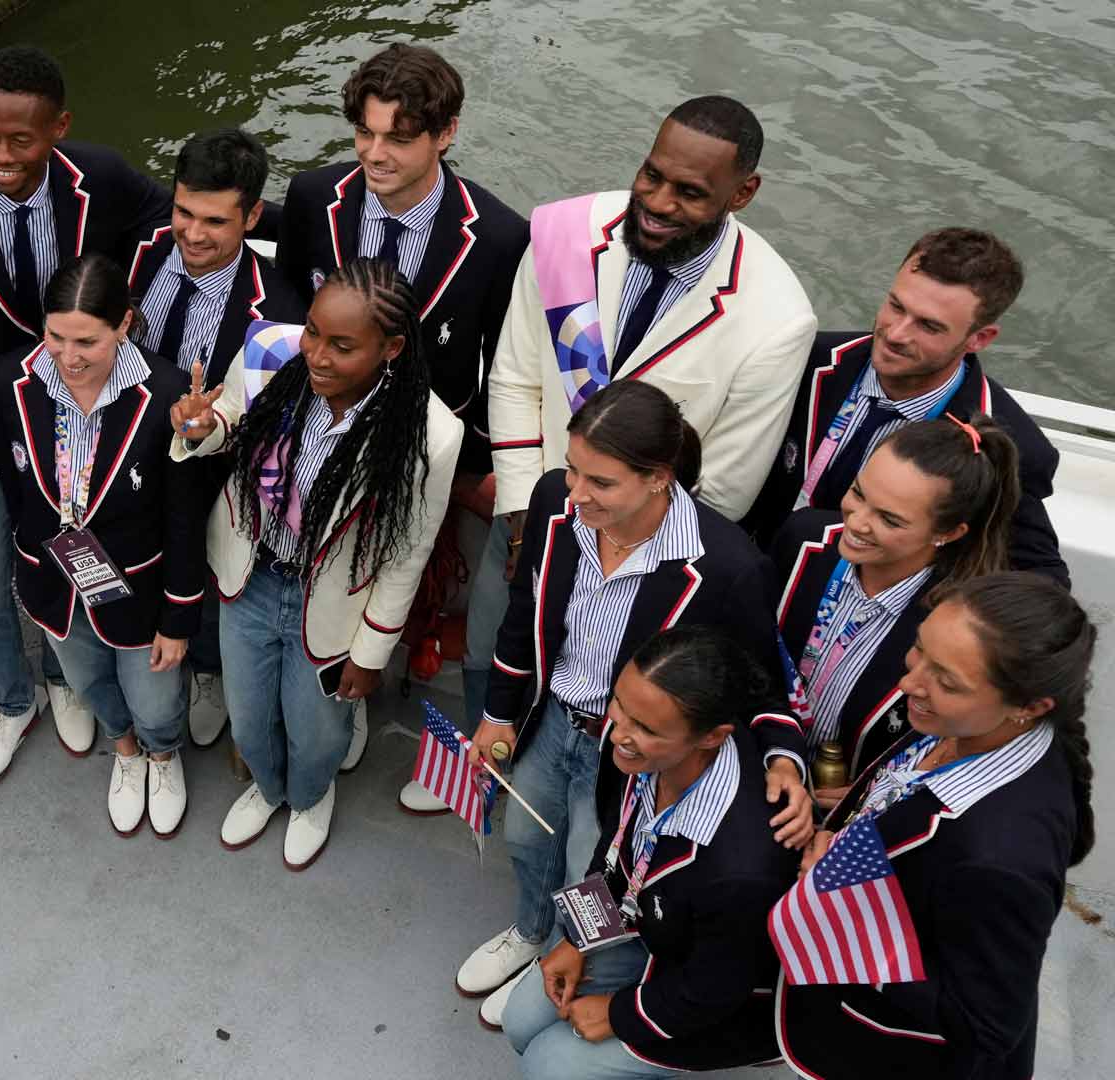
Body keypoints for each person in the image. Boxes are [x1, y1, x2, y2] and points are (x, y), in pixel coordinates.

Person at [434, 94, 816, 818]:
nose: (659, 202)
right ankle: (489, 757)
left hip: (642, 554)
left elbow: (725, 484)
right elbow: (513, 377)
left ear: (744, 193)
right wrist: (523, 516)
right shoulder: (565, 233)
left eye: (690, 192)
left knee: (601, 683)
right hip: (534, 512)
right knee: (495, 646)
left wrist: (610, 537)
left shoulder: (776, 319)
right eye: (652, 175)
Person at [459, 379, 812, 1019]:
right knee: (525, 838)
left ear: (658, 478)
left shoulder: (726, 565)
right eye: (572, 470)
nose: (575, 493)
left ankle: (566, 953)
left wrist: (784, 754)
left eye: (601, 481)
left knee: (592, 872)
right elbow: (525, 612)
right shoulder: (553, 505)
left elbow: (759, 678)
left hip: (630, 755)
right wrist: (497, 714)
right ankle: (530, 930)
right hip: (550, 720)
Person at [0, 45, 171, 779]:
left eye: (22, 140)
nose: (3, 156)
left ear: (60, 127)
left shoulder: (101, 178)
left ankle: (63, 681)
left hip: (81, 433)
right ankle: (14, 702)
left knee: (66, 566)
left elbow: (174, 219)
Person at [274, 42, 529, 778]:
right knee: (319, 574)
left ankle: (371, 677)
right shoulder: (313, 198)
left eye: (397, 137)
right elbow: (291, 307)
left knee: (402, 578)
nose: (373, 154)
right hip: (319, 439)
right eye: (364, 133)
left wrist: (481, 472)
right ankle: (331, 691)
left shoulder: (502, 238)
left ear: (445, 133)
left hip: (424, 458)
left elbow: (504, 366)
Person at [168, 257, 460, 869]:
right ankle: (269, 788)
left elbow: (408, 553)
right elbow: (231, 424)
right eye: (313, 332)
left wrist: (371, 652)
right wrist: (201, 427)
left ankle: (309, 795)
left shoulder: (432, 433)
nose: (317, 355)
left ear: (391, 348)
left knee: (319, 730)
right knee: (246, 718)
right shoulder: (271, 349)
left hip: (330, 604)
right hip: (250, 575)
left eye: (342, 345)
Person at [774, 573, 1095, 1078]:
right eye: (917, 649)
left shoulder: (1000, 859)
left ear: (1030, 707)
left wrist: (848, 920)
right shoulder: (966, 727)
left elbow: (987, 1025)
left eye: (946, 681)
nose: (909, 683)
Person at [502, 627, 795, 1078]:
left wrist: (620, 1014)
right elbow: (614, 851)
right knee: (519, 1021)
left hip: (713, 994)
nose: (618, 733)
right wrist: (578, 940)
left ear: (712, 736)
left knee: (548, 1065)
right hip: (651, 928)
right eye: (619, 704)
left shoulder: (743, 870)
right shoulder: (635, 752)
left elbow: (716, 988)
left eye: (646, 728)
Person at [0, 255, 209, 835]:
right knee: (88, 683)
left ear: (126, 325)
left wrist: (179, 615)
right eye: (55, 337)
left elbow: (183, 515)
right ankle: (127, 752)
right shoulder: (9, 382)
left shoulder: (165, 395)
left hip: (140, 587)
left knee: (157, 698)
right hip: (54, 582)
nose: (67, 358)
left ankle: (162, 753)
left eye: (86, 341)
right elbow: (16, 491)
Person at [743, 228, 1068, 584]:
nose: (896, 334)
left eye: (928, 326)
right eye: (896, 306)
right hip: (751, 575)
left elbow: (1042, 583)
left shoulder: (1011, 447)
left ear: (980, 338)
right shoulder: (806, 358)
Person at [126, 127, 307, 749]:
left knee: (203, 566)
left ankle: (206, 671)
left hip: (212, 471)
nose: (193, 234)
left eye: (214, 220)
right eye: (183, 212)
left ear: (253, 215)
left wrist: (211, 430)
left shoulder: (280, 310)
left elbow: (272, 428)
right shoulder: (139, 251)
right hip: (125, 455)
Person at [771, 414, 1022, 802]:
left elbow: (963, 737)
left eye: (889, 519)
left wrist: (877, 793)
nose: (857, 522)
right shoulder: (801, 540)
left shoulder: (961, 621)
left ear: (948, 533)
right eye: (858, 493)